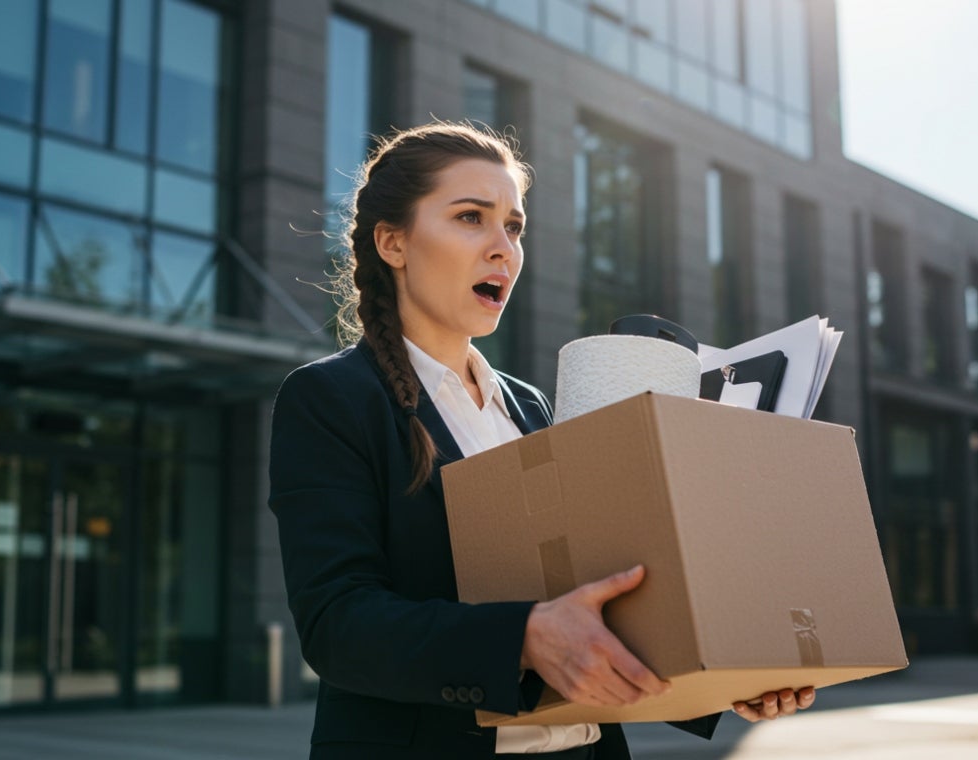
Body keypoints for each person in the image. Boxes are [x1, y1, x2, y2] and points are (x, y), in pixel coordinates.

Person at [268, 122, 815, 759]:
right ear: (393, 242)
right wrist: (525, 636)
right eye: (471, 217)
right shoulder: (331, 398)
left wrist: (727, 675)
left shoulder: (532, 407)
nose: (503, 248)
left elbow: (599, 598)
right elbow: (338, 627)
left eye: (514, 226)